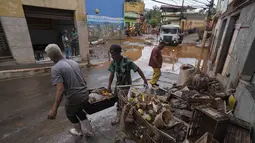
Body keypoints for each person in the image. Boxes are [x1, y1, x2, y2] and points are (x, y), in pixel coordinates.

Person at [45, 44, 93, 137]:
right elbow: (83, 80)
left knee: (70, 113)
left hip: (75, 97)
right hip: (85, 93)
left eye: (50, 57)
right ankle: (88, 130)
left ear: (52, 56)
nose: (50, 59)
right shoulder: (73, 62)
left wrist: (54, 109)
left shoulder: (56, 68)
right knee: (78, 110)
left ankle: (78, 131)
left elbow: (60, 89)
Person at [107, 44, 148, 125]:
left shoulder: (128, 62)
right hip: (118, 86)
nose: (112, 56)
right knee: (117, 100)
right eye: (111, 54)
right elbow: (111, 74)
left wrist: (145, 80)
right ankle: (121, 115)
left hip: (126, 86)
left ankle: (121, 118)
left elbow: (138, 69)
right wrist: (109, 86)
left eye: (114, 54)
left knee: (123, 102)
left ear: (119, 53)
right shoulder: (113, 63)